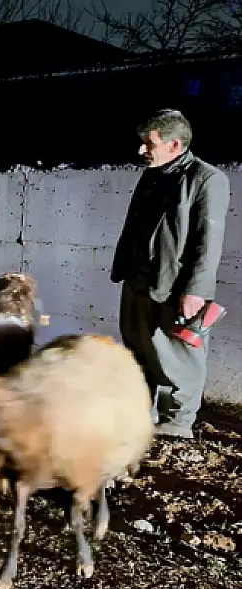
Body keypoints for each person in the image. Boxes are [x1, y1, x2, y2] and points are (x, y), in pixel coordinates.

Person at [110, 109, 230, 439]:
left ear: (175, 144)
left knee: (181, 356)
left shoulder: (207, 179)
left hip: (174, 287)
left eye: (149, 143)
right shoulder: (153, 174)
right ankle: (141, 417)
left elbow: (209, 241)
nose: (141, 150)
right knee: (140, 349)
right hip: (138, 281)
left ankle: (178, 424)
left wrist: (197, 290)